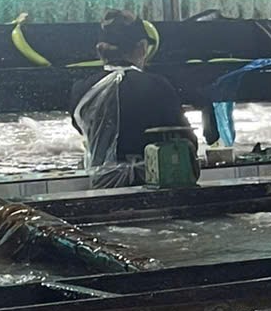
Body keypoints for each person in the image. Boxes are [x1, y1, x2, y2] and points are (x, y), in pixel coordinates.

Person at [70, 10, 196, 184]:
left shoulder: (81, 90)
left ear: (100, 51)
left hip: (101, 184)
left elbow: (85, 129)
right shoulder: (157, 86)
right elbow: (184, 138)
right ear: (142, 48)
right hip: (151, 182)